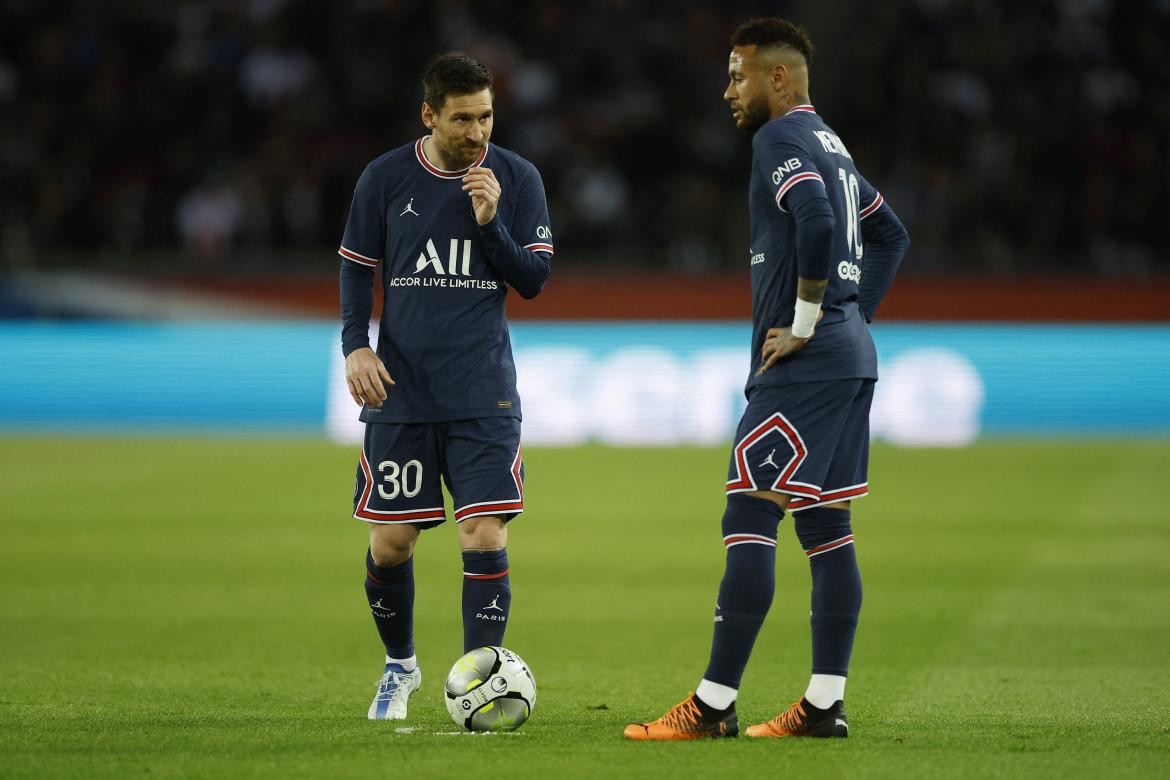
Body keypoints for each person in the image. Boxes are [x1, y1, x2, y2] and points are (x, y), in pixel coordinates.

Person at [625, 17, 909, 740]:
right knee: (825, 526)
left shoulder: (779, 138)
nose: (729, 90)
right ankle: (822, 704)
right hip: (850, 359)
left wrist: (812, 320)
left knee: (749, 513)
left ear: (777, 78)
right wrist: (852, 317)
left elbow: (814, 221)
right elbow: (890, 233)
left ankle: (712, 705)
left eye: (738, 74)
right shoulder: (832, 144)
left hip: (806, 364)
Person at [337, 52, 554, 721]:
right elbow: (355, 267)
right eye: (462, 119)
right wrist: (355, 347)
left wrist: (493, 223)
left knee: (484, 535)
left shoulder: (516, 179)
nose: (477, 131)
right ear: (429, 115)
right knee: (390, 543)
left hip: (483, 392)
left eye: (486, 116)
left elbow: (534, 280)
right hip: (402, 391)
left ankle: (479, 683)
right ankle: (399, 666)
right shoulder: (384, 177)